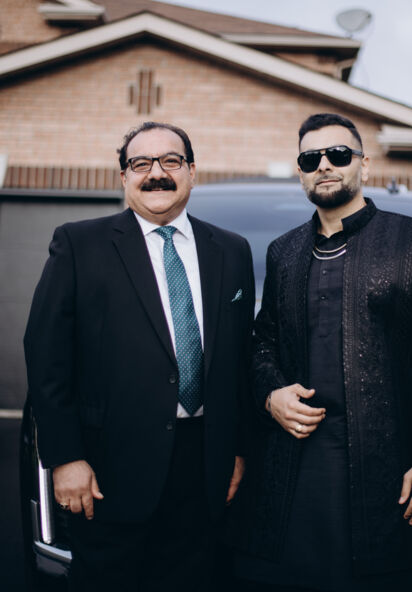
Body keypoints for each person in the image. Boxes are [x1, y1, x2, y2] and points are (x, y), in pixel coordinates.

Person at [233, 113, 412, 592]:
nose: (324, 165)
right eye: (310, 159)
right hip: (296, 467)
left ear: (363, 164)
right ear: (301, 172)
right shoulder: (283, 252)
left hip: (391, 466)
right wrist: (272, 395)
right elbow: (262, 343)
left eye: (338, 155)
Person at [24, 121, 255, 591]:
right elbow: (46, 356)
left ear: (192, 172)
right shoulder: (78, 244)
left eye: (170, 161)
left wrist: (236, 450)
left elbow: (239, 362)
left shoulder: (231, 251)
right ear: (124, 176)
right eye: (141, 163)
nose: (156, 174)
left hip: (203, 468)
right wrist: (65, 458)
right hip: (108, 469)